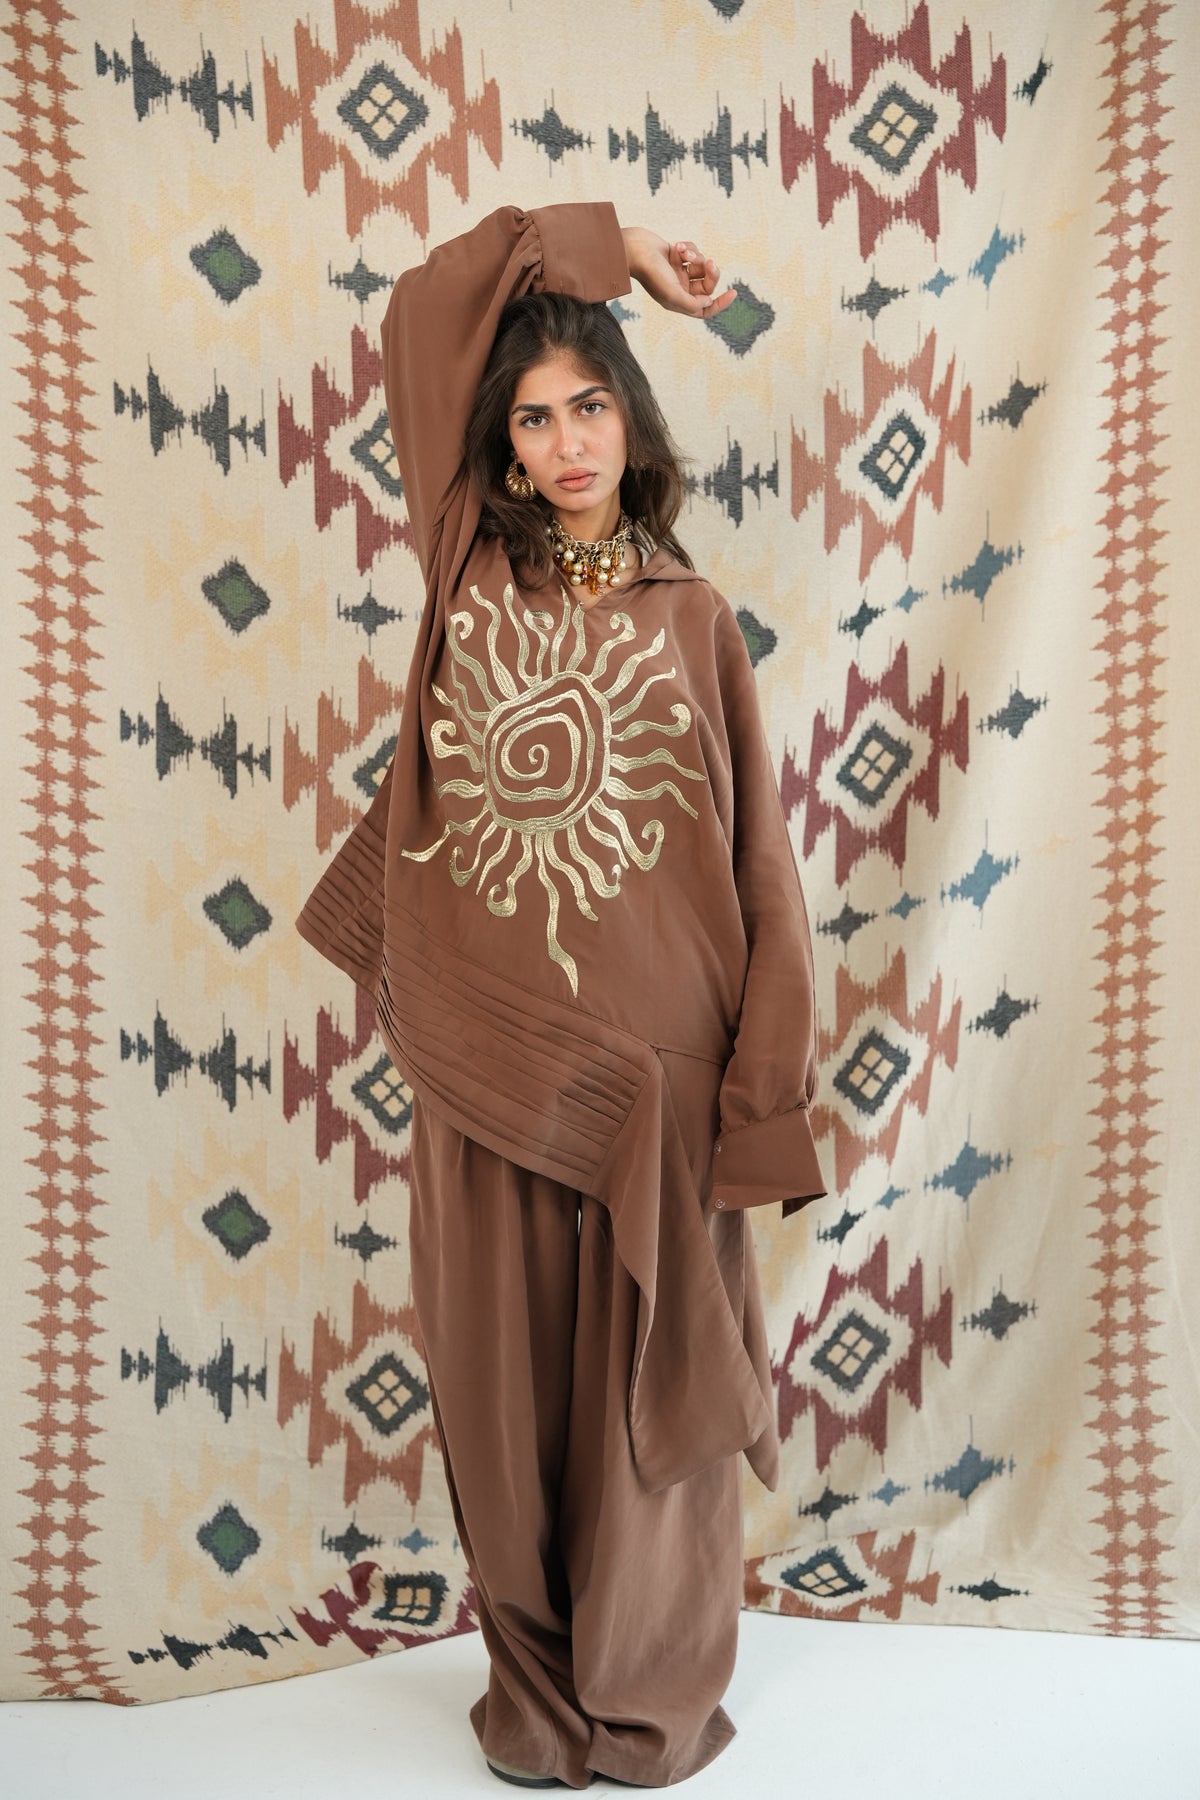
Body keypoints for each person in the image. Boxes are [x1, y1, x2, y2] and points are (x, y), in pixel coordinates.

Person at [294, 201, 830, 1789]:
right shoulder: (466, 569)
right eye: (533, 418)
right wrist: (619, 250)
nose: (567, 439)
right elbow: (424, 306)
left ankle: (645, 1702)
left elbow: (761, 869)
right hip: (489, 1067)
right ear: (506, 454)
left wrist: (761, 1095)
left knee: (652, 1413)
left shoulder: (695, 619)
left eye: (590, 404)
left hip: (659, 1084)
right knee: (500, 1401)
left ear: (630, 421)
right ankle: (534, 1700)